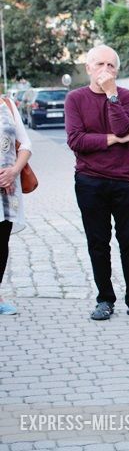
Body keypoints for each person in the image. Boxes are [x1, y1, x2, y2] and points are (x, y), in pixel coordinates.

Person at [65, 45, 129, 322]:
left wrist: (111, 95)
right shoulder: (75, 99)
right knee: (98, 242)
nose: (105, 70)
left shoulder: (125, 96)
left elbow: (122, 127)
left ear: (117, 70)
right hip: (91, 181)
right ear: (88, 68)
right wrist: (113, 141)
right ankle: (104, 299)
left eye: (111, 66)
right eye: (99, 64)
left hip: (126, 181)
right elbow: (76, 140)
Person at [0, 95, 32, 315]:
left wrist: (14, 171)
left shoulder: (7, 104)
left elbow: (26, 144)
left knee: (1, 243)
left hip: (7, 189)